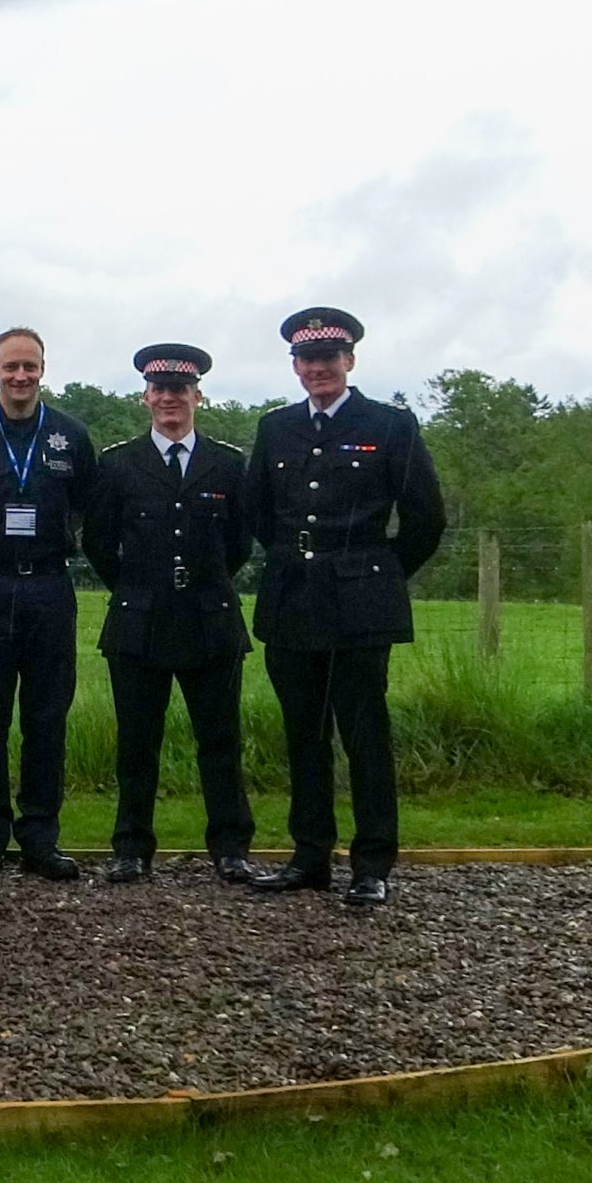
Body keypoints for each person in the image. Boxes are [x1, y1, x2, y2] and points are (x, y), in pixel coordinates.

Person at [247, 308, 446, 907]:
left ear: (349, 361)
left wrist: (377, 572)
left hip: (361, 602)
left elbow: (425, 518)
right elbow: (258, 511)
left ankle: (371, 864)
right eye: (308, 360)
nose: (318, 369)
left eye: (329, 358)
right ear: (296, 367)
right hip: (293, 598)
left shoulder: (390, 425)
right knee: (303, 734)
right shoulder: (275, 427)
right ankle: (309, 857)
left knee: (364, 733)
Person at [80, 344, 257, 886]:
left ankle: (230, 848)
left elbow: (239, 544)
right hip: (141, 617)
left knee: (220, 740)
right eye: (160, 390)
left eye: (179, 390)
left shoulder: (227, 463)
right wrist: (138, 585)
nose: (169, 399)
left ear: (197, 395)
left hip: (209, 616)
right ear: (145, 397)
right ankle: (132, 847)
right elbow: (99, 543)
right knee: (137, 741)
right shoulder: (117, 463)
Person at [0, 326, 96, 881]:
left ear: (42, 370)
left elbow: (84, 511)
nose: (20, 376)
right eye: (10, 366)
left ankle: (40, 836)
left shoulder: (70, 436)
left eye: (29, 366)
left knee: (46, 716)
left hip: (50, 587)